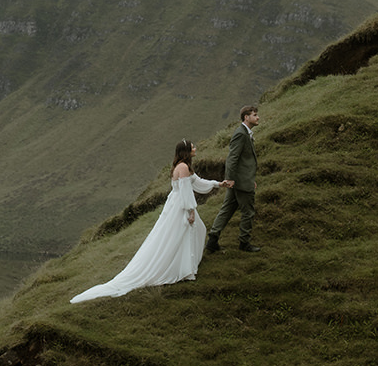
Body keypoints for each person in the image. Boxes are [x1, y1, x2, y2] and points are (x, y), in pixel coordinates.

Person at [70, 139, 233, 304]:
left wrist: (218, 184)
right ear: (186, 151)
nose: (195, 149)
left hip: (179, 204)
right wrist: (190, 211)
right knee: (180, 234)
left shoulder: (184, 166)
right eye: (192, 147)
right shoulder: (183, 167)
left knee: (192, 231)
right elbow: (185, 190)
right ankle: (182, 269)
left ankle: (185, 267)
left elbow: (197, 182)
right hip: (180, 206)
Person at [205, 104, 261, 253]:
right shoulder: (241, 134)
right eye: (254, 115)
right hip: (239, 182)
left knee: (227, 209)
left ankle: (212, 241)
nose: (258, 117)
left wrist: (249, 178)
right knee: (248, 212)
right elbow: (232, 159)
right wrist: (229, 178)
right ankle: (244, 243)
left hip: (241, 180)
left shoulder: (245, 133)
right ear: (246, 117)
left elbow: (243, 161)